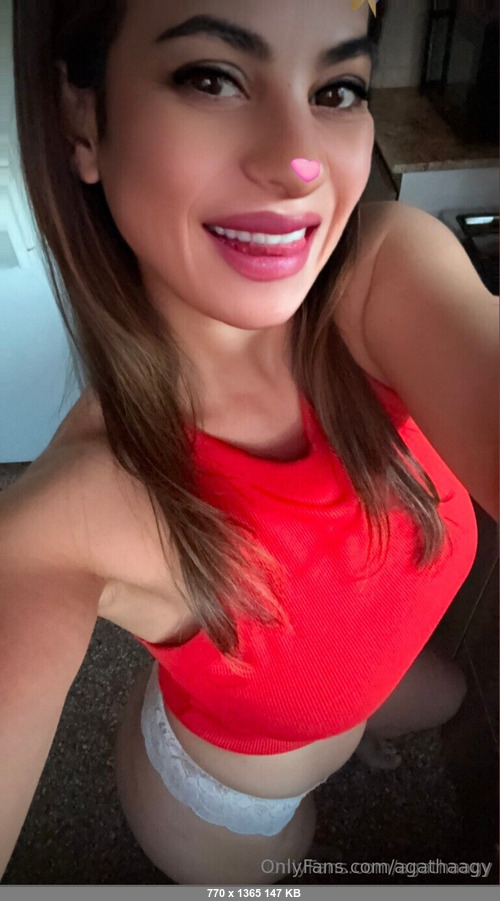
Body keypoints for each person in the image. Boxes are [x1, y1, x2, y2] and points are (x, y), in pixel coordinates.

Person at [2, 0, 498, 886]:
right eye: (213, 78)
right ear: (83, 117)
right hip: (225, 810)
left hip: (354, 700)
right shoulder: (75, 512)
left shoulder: (390, 272)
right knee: (292, 859)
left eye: (337, 89)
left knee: (446, 695)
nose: (300, 164)